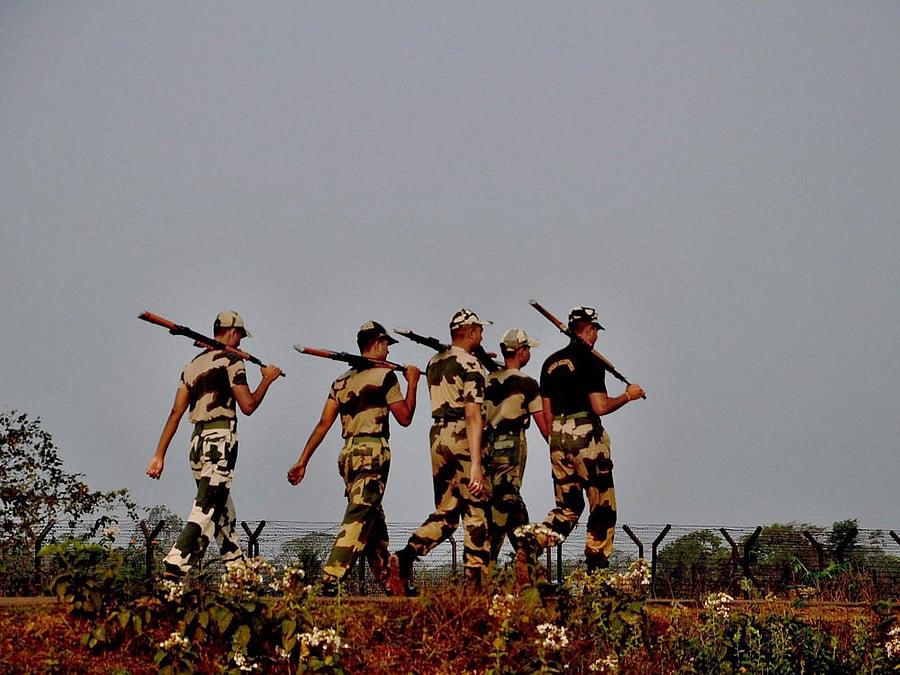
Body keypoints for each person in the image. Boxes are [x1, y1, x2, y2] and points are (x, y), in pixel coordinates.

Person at [287, 321, 419, 596]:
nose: (388, 352)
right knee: (359, 516)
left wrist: (303, 460)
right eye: (386, 346)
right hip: (372, 451)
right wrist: (413, 385)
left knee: (372, 521)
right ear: (379, 344)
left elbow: (324, 424)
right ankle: (332, 574)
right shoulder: (386, 377)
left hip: (348, 454)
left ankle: (390, 582)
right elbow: (405, 417)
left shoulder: (341, 382)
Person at [147, 310, 282, 578]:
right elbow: (248, 405)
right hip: (220, 439)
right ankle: (178, 560)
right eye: (240, 336)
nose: (241, 343)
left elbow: (175, 413)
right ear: (233, 333)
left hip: (196, 442)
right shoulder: (233, 361)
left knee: (223, 513)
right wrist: (267, 379)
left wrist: (158, 455)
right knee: (208, 506)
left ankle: (239, 574)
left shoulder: (192, 366)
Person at [518, 306, 644, 580]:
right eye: (596, 330)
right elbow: (599, 406)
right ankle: (596, 574)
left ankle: (530, 547)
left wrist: (557, 443)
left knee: (567, 508)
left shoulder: (550, 364)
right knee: (602, 505)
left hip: (558, 436)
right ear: (589, 329)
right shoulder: (591, 361)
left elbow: (547, 411)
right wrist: (627, 396)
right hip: (587, 434)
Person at [388, 308, 492, 595]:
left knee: (447, 511)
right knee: (476, 510)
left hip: (438, 436)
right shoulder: (471, 365)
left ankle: (405, 557)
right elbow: (473, 414)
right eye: (480, 330)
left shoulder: (435, 362)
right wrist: (476, 465)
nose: (482, 335)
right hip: (462, 434)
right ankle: (476, 587)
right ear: (471, 331)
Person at [484, 329, 550, 567]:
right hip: (511, 443)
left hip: (487, 445)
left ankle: (524, 557)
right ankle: (525, 555)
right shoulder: (527, 384)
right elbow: (544, 426)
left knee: (500, 500)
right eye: (528, 349)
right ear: (521, 351)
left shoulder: (487, 380)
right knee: (509, 498)